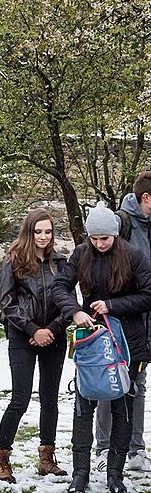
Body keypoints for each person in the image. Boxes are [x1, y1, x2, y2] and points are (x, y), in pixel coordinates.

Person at [51, 203, 151, 493]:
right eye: (94, 239)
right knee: (84, 403)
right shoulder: (81, 253)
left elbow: (148, 294)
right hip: (91, 338)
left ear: (115, 236)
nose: (99, 244)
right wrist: (74, 311)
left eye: (104, 239)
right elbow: (61, 286)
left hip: (127, 340)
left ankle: (115, 474)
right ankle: (80, 473)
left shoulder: (134, 256)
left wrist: (113, 306)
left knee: (122, 404)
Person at [0, 209, 69, 483]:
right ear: (29, 232)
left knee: (50, 398)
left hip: (53, 335)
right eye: (38, 231)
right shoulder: (14, 261)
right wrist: (32, 329)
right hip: (22, 336)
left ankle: (47, 457)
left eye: (48, 231)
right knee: (20, 398)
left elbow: (67, 302)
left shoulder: (60, 263)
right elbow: (7, 303)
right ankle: (1, 457)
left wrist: (52, 329)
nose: (43, 236)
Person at [99, 171, 151, 472]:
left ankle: (135, 450)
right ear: (145, 198)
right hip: (119, 317)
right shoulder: (120, 223)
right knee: (110, 381)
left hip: (145, 319)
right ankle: (104, 448)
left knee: (138, 384)